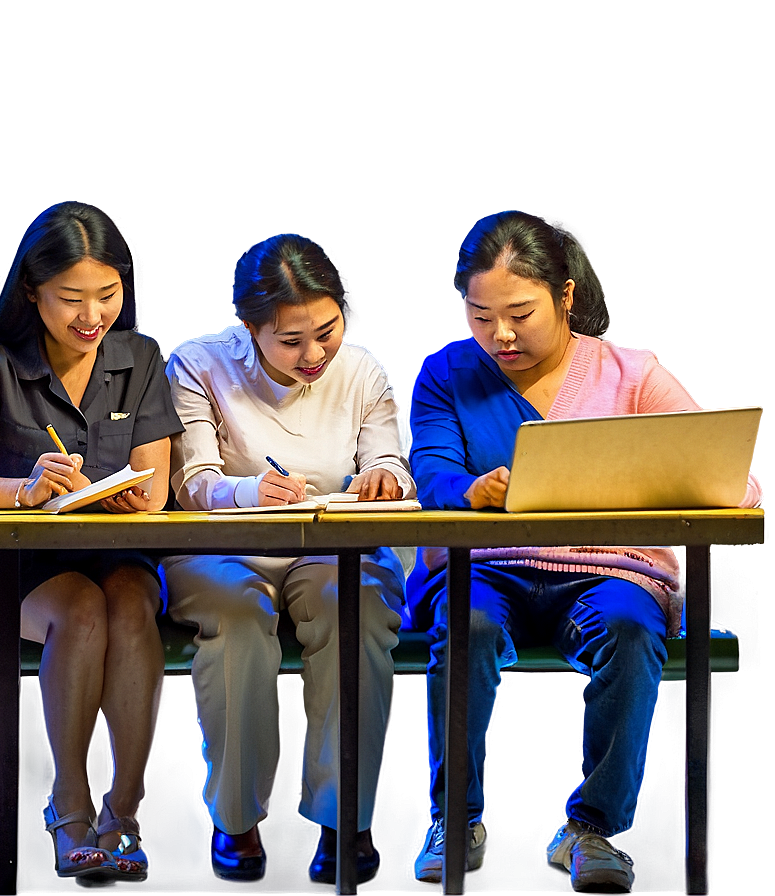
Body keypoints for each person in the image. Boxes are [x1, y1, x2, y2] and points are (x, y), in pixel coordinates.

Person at [406, 209, 763, 892]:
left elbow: (710, 459)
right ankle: (455, 820)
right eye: (480, 316)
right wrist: (471, 489)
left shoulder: (631, 374)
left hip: (610, 572)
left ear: (566, 297)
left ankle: (591, 830)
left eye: (519, 313)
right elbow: (432, 473)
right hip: (490, 569)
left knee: (632, 632)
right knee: (467, 629)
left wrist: (729, 485)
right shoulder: (445, 374)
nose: (499, 335)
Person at [0, 200, 184, 885]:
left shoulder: (141, 357)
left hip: (119, 555)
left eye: (107, 295)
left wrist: (132, 496)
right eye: (71, 299)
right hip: (20, 567)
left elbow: (156, 487)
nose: (92, 316)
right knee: (80, 609)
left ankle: (126, 815)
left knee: (126, 601)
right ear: (32, 291)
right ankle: (73, 810)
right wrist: (23, 491)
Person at [160, 233, 415, 883]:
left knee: (353, 610)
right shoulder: (199, 364)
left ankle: (344, 817)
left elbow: (387, 455)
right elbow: (193, 485)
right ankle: (236, 819)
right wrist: (251, 491)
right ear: (249, 329)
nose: (315, 354)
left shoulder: (361, 369)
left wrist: (384, 476)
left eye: (326, 332)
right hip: (226, 549)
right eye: (291, 339)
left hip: (334, 548)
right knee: (239, 623)